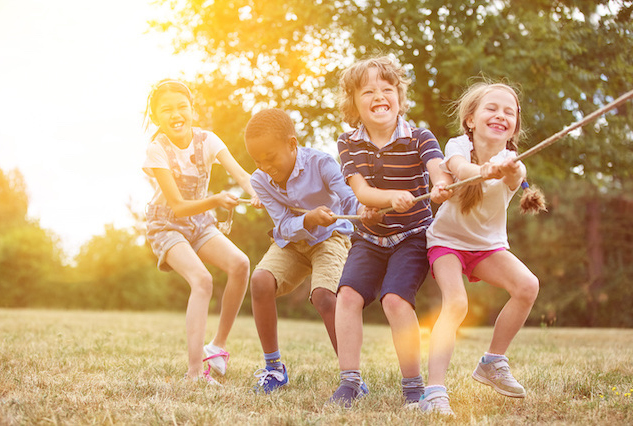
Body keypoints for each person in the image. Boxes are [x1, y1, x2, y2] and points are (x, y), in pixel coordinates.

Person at [329, 56, 452, 408]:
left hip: (412, 236)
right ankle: (349, 382)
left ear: (399, 95)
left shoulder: (418, 137)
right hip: (369, 238)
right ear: (353, 102)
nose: (378, 96)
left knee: (395, 300)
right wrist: (389, 197)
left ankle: (413, 387)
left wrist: (442, 184)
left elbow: (437, 167)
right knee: (348, 297)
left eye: (387, 88)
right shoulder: (348, 142)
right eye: (367, 91)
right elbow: (362, 191)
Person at [421, 82, 546, 415]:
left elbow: (515, 173)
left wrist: (505, 169)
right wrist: (481, 171)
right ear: (471, 119)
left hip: (487, 248)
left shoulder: (513, 161)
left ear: (515, 125)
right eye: (491, 108)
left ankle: (492, 361)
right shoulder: (458, 145)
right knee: (457, 304)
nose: (500, 115)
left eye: (509, 111)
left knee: (527, 286)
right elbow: (460, 169)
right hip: (447, 242)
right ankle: (433, 392)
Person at [244, 108, 369, 394]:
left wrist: (363, 211)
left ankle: (352, 378)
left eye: (270, 157)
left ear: (292, 144)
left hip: (331, 237)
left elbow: (348, 196)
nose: (265, 166)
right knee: (260, 280)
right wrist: (309, 219)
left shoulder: (321, 163)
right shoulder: (259, 180)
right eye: (257, 160)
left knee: (324, 296)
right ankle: (274, 368)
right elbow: (285, 226)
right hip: (292, 242)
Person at [142, 79, 260, 383]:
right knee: (202, 280)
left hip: (199, 224)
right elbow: (179, 206)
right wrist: (217, 199)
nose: (176, 114)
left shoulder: (208, 140)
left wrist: (257, 193)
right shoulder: (157, 150)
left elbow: (242, 175)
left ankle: (217, 348)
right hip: (166, 224)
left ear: (192, 110)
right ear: (156, 117)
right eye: (166, 110)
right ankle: (195, 373)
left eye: (182, 106)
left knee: (240, 264)